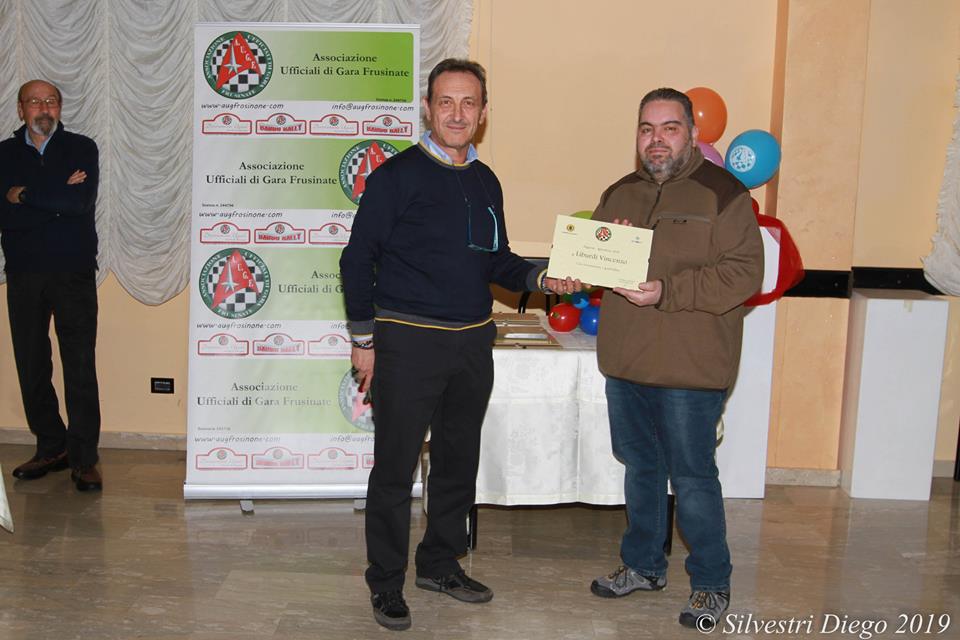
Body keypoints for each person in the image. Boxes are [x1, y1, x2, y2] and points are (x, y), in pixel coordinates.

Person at [339, 58, 549, 631]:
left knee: (457, 462)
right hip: (408, 343)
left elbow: (497, 261)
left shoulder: (486, 180)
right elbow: (357, 259)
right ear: (428, 109)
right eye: (446, 102)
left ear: (483, 113)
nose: (457, 113)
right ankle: (386, 582)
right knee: (395, 468)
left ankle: (438, 564)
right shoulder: (396, 176)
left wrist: (543, 277)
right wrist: (363, 337)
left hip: (472, 343)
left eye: (468, 103)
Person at [553, 88, 763, 630]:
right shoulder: (619, 193)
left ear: (691, 133)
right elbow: (595, 263)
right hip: (627, 363)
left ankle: (711, 583)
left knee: (692, 478)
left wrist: (668, 290)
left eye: (670, 128)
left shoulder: (726, 195)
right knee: (641, 470)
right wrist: (574, 272)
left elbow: (744, 275)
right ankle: (644, 566)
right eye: (647, 129)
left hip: (691, 370)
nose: (657, 140)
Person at [0, 80, 102, 492]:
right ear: (20, 108)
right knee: (31, 363)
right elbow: (4, 217)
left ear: (59, 107)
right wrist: (56, 196)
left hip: (73, 271)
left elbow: (78, 204)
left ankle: (84, 458)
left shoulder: (81, 148)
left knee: (80, 365)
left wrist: (23, 196)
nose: (44, 108)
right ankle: (51, 447)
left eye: (51, 101)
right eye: (35, 101)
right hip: (24, 272)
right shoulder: (4, 154)